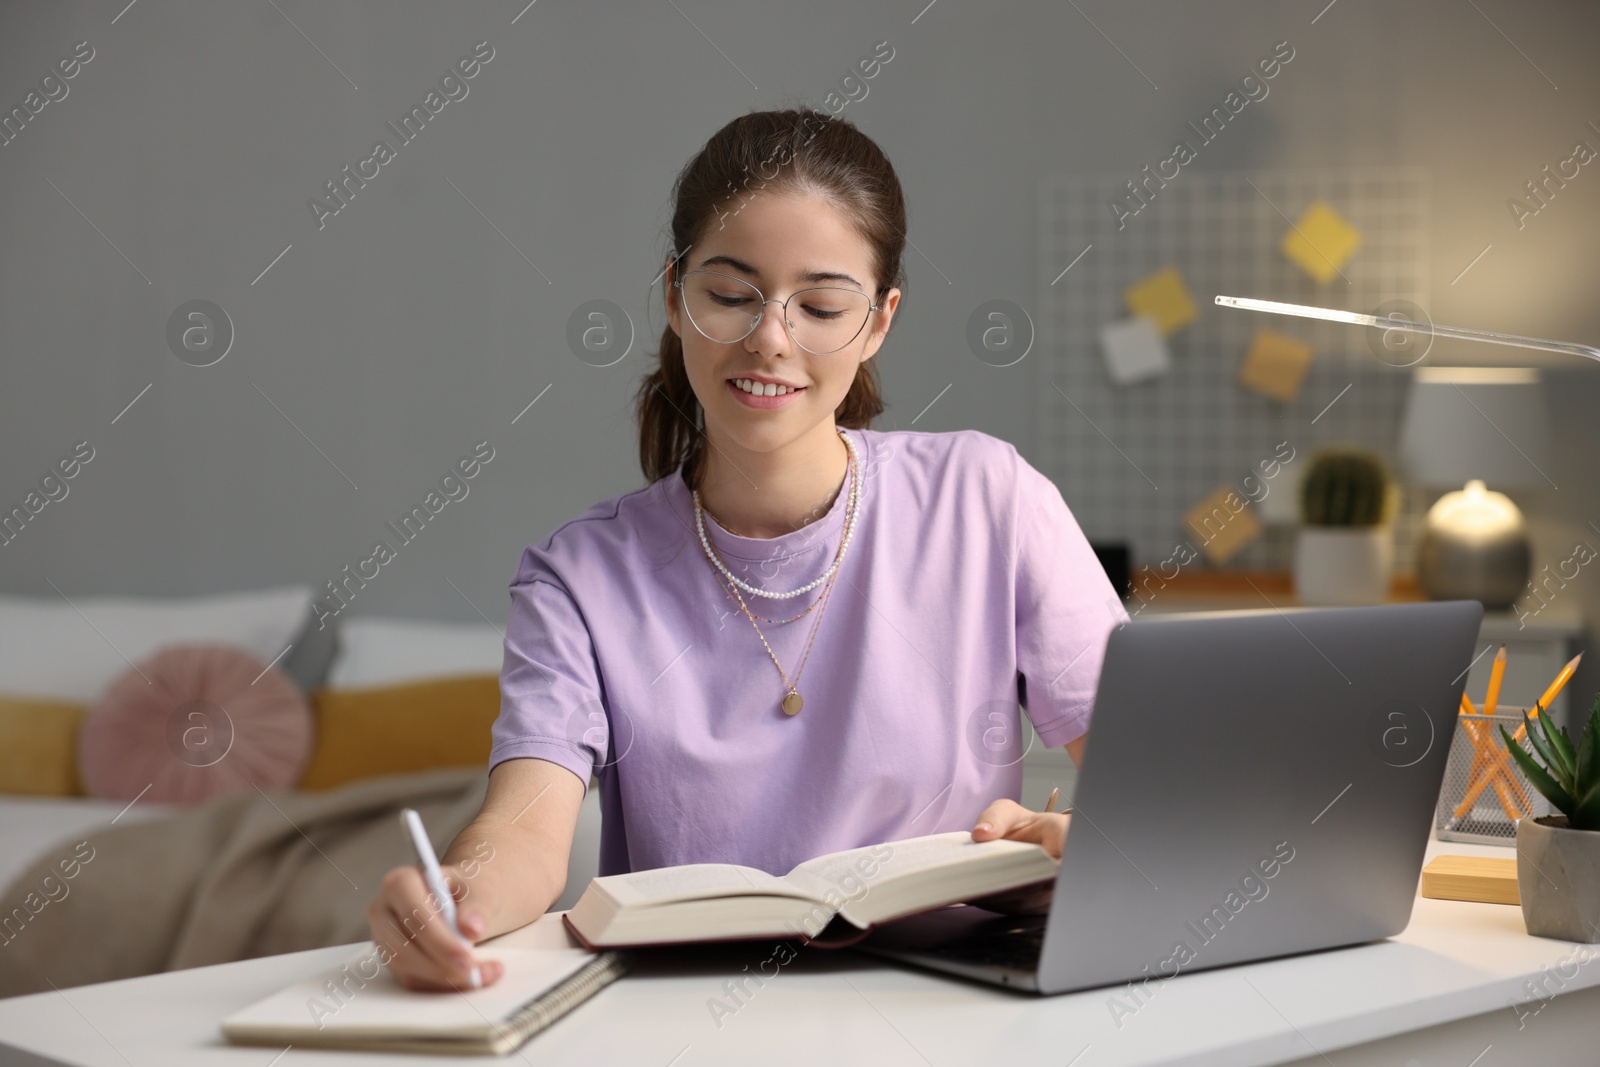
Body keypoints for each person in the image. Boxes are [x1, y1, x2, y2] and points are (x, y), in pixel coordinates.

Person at [365, 107, 1125, 991]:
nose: (771, 336)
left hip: (954, 1003)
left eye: (822, 305)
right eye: (731, 294)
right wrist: (460, 895)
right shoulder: (579, 577)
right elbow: (524, 832)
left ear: (878, 322)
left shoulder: (990, 499)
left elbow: (1157, 795)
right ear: (674, 294)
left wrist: (1088, 845)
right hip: (688, 1021)